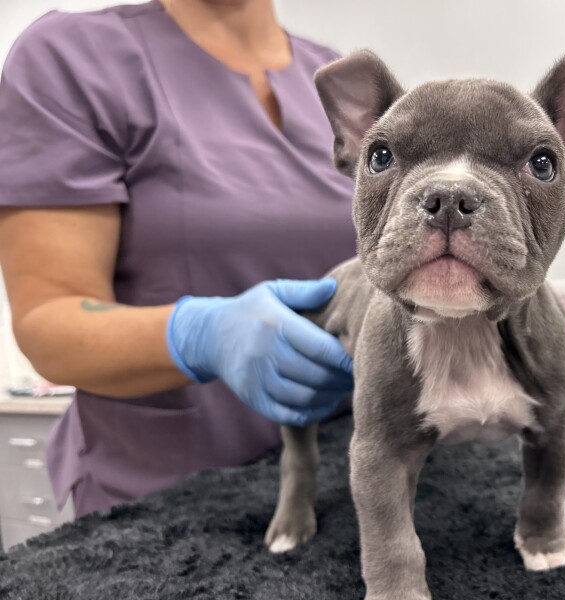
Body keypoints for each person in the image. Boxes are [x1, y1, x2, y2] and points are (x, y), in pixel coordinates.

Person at [0, 0, 358, 517]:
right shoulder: (75, 61)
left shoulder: (334, 77)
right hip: (164, 515)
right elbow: (47, 320)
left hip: (338, 500)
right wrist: (199, 335)